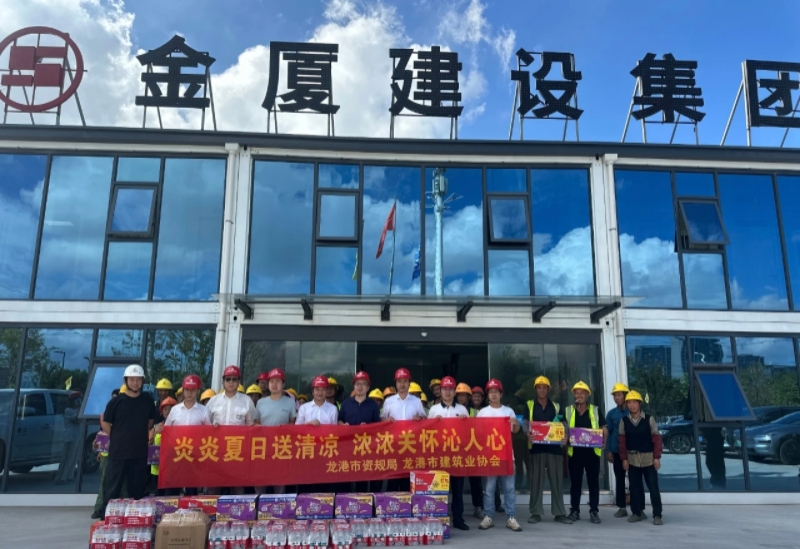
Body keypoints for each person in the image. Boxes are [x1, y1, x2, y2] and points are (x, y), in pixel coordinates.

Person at [100, 364, 158, 519]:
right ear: (126, 381)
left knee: (138, 491)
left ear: (142, 381)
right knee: (112, 489)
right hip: (118, 453)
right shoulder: (116, 402)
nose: (135, 383)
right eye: (132, 379)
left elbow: (151, 420)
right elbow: (106, 423)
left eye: (138, 379)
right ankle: (106, 519)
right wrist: (117, 436)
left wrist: (139, 434)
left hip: (139, 453)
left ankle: (137, 520)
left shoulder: (147, 400)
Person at [477, 379, 522, 532]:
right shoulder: (483, 413)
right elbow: (477, 433)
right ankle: (488, 517)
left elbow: (515, 431)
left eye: (496, 391)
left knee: (509, 488)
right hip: (489, 456)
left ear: (501, 394)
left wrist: (515, 423)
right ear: (488, 395)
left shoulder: (508, 411)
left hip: (506, 456)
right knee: (489, 489)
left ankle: (511, 517)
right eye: (491, 392)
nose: (494, 394)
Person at [527, 375, 572, 525]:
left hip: (555, 450)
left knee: (557, 482)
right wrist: (527, 433)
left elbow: (564, 424)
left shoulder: (556, 406)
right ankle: (535, 513)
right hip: (537, 449)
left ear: (548, 390)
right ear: (535, 389)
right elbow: (525, 423)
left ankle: (559, 513)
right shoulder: (530, 405)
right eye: (539, 388)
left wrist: (565, 436)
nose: (541, 390)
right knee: (536, 482)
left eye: (544, 388)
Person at [428, 377, 470, 531]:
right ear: (440, 391)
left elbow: (469, 433)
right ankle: (437, 518)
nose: (447, 392)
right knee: (439, 488)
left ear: (454, 392)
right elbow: (426, 433)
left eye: (450, 389)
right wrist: (433, 422)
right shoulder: (434, 410)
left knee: (458, 489)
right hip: (439, 455)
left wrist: (465, 422)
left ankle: (458, 519)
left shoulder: (462, 409)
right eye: (445, 389)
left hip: (457, 455)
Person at [619, 390, 663, 526]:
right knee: (634, 488)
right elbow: (622, 442)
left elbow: (656, 439)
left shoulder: (649, 419)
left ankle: (657, 515)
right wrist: (624, 459)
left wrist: (657, 457)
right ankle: (636, 513)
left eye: (634, 402)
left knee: (653, 488)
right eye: (629, 403)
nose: (632, 405)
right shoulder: (624, 421)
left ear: (640, 404)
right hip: (632, 460)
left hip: (648, 459)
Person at [565, 381, 607, 524]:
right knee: (575, 484)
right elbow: (560, 426)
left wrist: (604, 439)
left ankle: (594, 511)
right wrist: (564, 437)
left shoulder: (595, 410)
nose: (579, 395)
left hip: (592, 454)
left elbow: (604, 427)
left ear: (587, 395)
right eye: (577, 393)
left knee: (593, 483)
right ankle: (574, 510)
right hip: (575, 453)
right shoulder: (568, 410)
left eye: (582, 393)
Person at [163, 375, 211, 496]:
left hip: (194, 455)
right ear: (183, 390)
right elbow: (167, 430)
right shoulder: (175, 410)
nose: (190, 393)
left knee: (191, 491)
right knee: (172, 489)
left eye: (193, 390)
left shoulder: (204, 411)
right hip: (176, 454)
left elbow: (209, 433)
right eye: (187, 390)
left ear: (198, 391)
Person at [382, 368, 426, 492]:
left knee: (408, 481)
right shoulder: (389, 401)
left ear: (409, 383)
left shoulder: (416, 401)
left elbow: (425, 420)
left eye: (405, 381)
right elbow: (382, 420)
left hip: (410, 446)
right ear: (395, 383)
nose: (402, 384)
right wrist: (386, 420)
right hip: (393, 445)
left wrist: (419, 418)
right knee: (393, 481)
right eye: (399, 381)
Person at [254, 368, 297, 493]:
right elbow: (256, 422)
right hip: (263, 448)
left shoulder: (290, 402)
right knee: (260, 482)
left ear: (283, 384)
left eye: (278, 381)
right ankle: (259, 503)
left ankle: (279, 504)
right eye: (271, 381)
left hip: (281, 447)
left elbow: (293, 422)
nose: (274, 384)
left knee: (279, 482)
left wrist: (286, 427)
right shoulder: (261, 402)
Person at [339, 371, 382, 492]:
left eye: (363, 384)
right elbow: (339, 421)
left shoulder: (373, 405)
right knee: (346, 477)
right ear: (354, 386)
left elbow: (378, 426)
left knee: (362, 479)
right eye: (357, 384)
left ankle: (363, 502)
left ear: (368, 387)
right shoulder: (346, 403)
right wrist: (343, 425)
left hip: (366, 447)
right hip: (348, 447)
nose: (360, 387)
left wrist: (368, 428)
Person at [92, 387, 126, 519]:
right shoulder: (107, 414)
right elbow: (101, 435)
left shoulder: (125, 414)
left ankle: (122, 509)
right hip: (107, 455)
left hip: (123, 454)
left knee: (123, 483)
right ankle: (100, 508)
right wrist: (97, 447)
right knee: (104, 482)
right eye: (113, 399)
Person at [456, 382, 486, 519]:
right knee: (457, 482)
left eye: (464, 396)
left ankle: (478, 507)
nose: (461, 398)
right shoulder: (453, 409)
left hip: (472, 450)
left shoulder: (475, 412)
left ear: (469, 397)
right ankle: (457, 510)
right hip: (457, 450)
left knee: (475, 481)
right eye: (459, 396)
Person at [606, 383, 630, 517]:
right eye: (615, 395)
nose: (616, 398)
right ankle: (622, 507)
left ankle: (638, 508)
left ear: (625, 396)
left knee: (635, 479)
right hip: (616, 451)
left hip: (632, 451)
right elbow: (608, 433)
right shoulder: (611, 414)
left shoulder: (633, 411)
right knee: (619, 479)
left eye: (619, 395)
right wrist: (608, 450)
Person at [55, 391, 82, 485]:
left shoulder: (77, 410)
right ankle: (61, 477)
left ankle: (69, 475)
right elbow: (77, 419)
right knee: (67, 457)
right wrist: (79, 407)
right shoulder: (68, 410)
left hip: (77, 436)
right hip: (70, 436)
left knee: (74, 457)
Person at [151, 397, 177, 496]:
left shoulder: (179, 426)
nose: (168, 411)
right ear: (161, 412)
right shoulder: (156, 427)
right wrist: (154, 432)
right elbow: (149, 443)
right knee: (159, 495)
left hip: (174, 466)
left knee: (172, 495)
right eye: (165, 409)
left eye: (171, 409)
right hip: (159, 467)